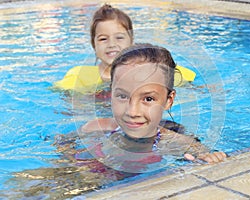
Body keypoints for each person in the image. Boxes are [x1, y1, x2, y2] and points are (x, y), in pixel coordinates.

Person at [80, 43, 227, 164]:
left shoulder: (180, 143)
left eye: (148, 99)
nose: (132, 112)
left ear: (168, 101)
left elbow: (207, 158)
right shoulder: (93, 128)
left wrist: (210, 159)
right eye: (122, 96)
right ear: (111, 93)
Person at [53, 4, 195, 94]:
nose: (111, 44)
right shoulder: (79, 77)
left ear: (131, 40)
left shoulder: (151, 70)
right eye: (103, 39)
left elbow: (191, 85)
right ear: (93, 44)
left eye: (119, 38)